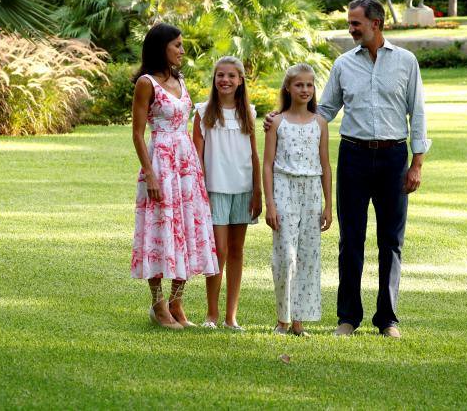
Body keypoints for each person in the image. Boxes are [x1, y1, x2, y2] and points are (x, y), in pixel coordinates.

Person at [264, 0, 431, 339]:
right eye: (350, 23)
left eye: (355, 23)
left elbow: (418, 113)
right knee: (350, 240)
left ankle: (387, 319)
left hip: (393, 158)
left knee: (391, 241)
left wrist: (416, 164)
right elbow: (322, 111)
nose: (350, 29)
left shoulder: (406, 62)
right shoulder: (343, 65)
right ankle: (348, 318)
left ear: (376, 24)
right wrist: (282, 119)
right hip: (353, 157)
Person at [130, 23, 219, 331]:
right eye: (177, 45)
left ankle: (177, 301)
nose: (182, 50)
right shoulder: (146, 83)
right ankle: (158, 305)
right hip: (161, 164)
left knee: (187, 229)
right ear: (162, 47)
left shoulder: (180, 79)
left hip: (186, 165)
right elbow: (138, 135)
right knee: (160, 230)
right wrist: (150, 174)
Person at [192, 56, 262, 331]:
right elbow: (197, 156)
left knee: (236, 251)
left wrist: (257, 191)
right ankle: (211, 313)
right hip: (215, 190)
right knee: (218, 250)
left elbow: (255, 155)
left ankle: (231, 316)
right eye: (220, 75)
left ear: (241, 80)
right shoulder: (203, 111)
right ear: (214, 79)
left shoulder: (250, 113)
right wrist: (199, 192)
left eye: (231, 76)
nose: (225, 80)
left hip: (243, 190)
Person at [263, 64, 332, 337]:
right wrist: (270, 203)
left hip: (312, 191)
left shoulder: (320, 123)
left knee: (307, 255)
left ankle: (300, 320)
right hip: (283, 188)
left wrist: (329, 205)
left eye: (309, 85)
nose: (305, 89)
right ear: (288, 88)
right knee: (285, 255)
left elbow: (326, 165)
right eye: (299, 85)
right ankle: (283, 318)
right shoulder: (277, 123)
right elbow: (267, 164)